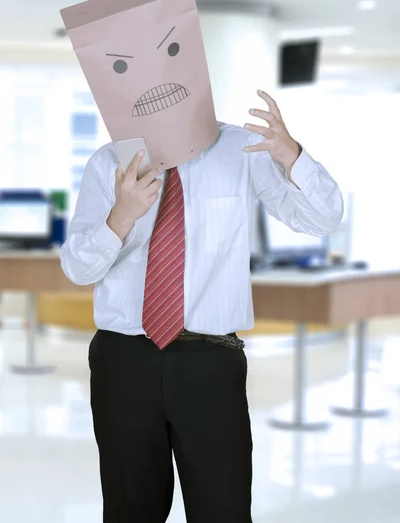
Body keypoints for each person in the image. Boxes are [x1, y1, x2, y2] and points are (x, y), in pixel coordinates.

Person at [61, 86, 343, 522]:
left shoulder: (241, 149)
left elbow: (322, 218)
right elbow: (78, 269)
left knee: (223, 509)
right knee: (129, 509)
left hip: (210, 361)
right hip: (124, 361)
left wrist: (294, 156)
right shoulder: (109, 162)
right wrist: (121, 216)